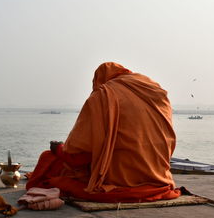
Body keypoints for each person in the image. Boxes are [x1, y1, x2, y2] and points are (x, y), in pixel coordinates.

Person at [26, 62, 181, 203]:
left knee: (48, 159)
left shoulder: (103, 94)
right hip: (159, 175)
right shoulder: (154, 90)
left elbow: (78, 153)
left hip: (119, 177)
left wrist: (59, 149)